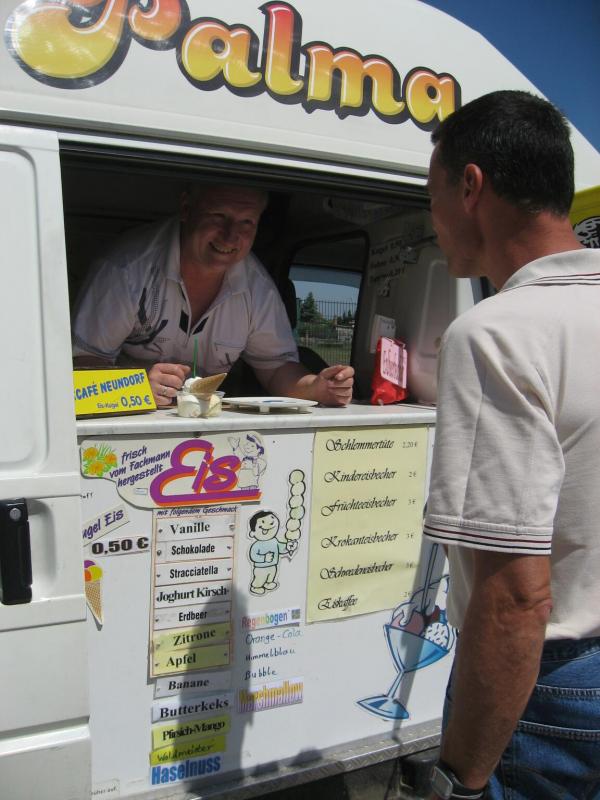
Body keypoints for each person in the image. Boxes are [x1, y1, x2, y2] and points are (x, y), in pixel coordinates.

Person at [423, 90, 600, 800]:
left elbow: (517, 596)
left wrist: (460, 781)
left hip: (552, 688)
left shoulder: (497, 333)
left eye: (432, 197)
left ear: (471, 187)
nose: (433, 222)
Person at [72, 183, 354, 407]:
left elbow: (277, 368)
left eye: (246, 222)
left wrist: (317, 387)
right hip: (129, 428)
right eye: (219, 217)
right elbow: (77, 370)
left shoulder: (258, 289)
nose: (230, 236)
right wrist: (136, 385)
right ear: (186, 209)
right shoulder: (125, 269)